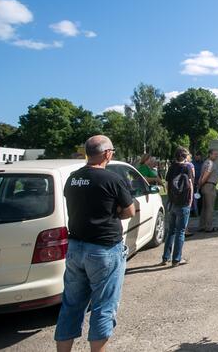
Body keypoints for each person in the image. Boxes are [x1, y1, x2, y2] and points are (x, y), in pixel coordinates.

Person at [55, 135, 134, 352]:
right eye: (113, 151)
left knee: (71, 306)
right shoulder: (111, 179)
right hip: (104, 249)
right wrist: (113, 211)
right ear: (107, 153)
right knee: (103, 307)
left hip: (75, 248)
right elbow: (129, 211)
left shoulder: (72, 178)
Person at [163, 147, 194, 265]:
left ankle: (165, 257)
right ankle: (177, 259)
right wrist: (190, 202)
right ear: (185, 157)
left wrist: (171, 197)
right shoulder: (187, 168)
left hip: (172, 202)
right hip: (184, 202)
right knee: (180, 232)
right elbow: (190, 185)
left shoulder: (171, 167)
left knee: (171, 231)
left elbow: (167, 185)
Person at [198, 148, 218, 233]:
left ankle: (202, 226)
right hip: (209, 186)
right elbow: (206, 174)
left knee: (204, 208)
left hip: (205, 186)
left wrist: (200, 185)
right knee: (209, 208)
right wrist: (201, 184)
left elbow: (202, 175)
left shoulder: (206, 162)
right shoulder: (210, 163)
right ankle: (209, 227)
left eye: (217, 154)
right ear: (210, 154)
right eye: (215, 154)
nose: (216, 156)